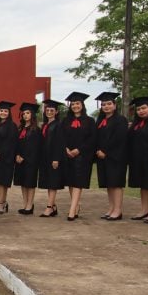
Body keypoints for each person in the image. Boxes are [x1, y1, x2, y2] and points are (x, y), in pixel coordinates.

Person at [61, 92, 96, 221]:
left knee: (78, 182)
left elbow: (92, 139)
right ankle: (76, 206)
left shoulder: (90, 121)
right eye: (73, 104)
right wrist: (66, 148)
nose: (75, 106)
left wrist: (79, 150)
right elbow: (61, 136)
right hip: (68, 155)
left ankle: (72, 210)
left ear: (82, 105)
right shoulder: (65, 121)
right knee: (71, 181)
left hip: (83, 157)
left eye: (77, 103)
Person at [94, 92, 129, 221]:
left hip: (116, 157)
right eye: (103, 104)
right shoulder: (101, 121)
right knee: (109, 184)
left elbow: (119, 139)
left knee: (116, 184)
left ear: (115, 105)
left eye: (109, 104)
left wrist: (105, 151)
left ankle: (118, 210)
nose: (106, 106)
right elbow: (96, 138)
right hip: (102, 157)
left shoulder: (120, 120)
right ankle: (111, 208)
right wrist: (97, 150)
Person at [38, 99, 65, 217]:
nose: (49, 112)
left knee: (53, 183)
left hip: (53, 158)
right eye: (47, 110)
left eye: (52, 110)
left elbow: (60, 143)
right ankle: (53, 206)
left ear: (56, 112)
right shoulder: (45, 125)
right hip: (45, 158)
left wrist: (56, 159)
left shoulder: (58, 125)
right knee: (49, 183)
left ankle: (49, 207)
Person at [0, 101, 18, 214]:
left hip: (5, 158)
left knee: (2, 181)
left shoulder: (11, 126)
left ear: (9, 113)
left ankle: (0, 204)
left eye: (5, 111)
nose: (3, 113)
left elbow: (10, 142)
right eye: (1, 111)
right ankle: (2, 202)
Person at [13, 102, 41, 215]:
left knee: (29, 183)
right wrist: (17, 155)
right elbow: (16, 144)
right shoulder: (20, 129)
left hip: (31, 161)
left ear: (32, 114)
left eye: (28, 113)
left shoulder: (36, 130)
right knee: (23, 183)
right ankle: (25, 204)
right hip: (20, 160)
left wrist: (24, 157)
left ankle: (30, 205)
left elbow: (35, 147)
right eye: (24, 113)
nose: (25, 115)